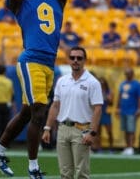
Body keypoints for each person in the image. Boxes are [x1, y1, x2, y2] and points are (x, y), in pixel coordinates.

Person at [0, 0, 67, 177]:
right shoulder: (20, 1)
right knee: (40, 112)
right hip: (31, 59)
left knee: (28, 112)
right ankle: (33, 167)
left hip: (48, 64)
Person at [42, 46, 102, 178]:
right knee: (64, 172)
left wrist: (92, 132)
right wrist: (47, 128)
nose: (75, 60)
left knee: (81, 172)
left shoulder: (92, 82)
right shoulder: (62, 81)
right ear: (68, 60)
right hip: (63, 129)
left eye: (79, 58)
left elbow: (98, 108)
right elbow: (55, 105)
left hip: (82, 130)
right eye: (72, 58)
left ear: (84, 60)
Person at [116, 68, 140, 155]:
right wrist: (118, 107)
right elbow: (120, 96)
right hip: (123, 110)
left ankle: (131, 147)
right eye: (126, 74)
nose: (127, 75)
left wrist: (139, 109)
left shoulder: (137, 84)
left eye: (128, 73)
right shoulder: (123, 84)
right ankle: (127, 146)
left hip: (132, 110)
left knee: (131, 129)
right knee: (125, 129)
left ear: (132, 74)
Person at [92, 76, 114, 153]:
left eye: (103, 82)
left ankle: (111, 148)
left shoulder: (109, 91)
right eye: (100, 82)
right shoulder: (96, 91)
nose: (102, 84)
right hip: (99, 113)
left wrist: (108, 98)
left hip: (106, 113)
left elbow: (111, 103)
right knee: (98, 132)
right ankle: (99, 147)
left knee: (109, 131)